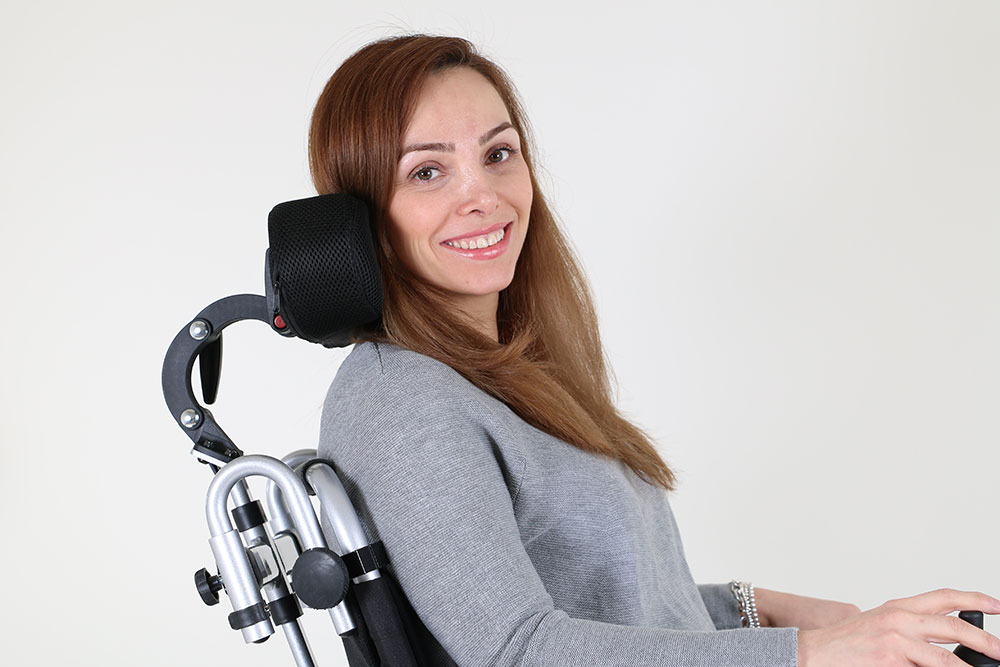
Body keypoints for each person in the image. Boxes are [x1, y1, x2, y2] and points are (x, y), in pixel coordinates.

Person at [310, 34, 1000, 666]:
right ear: (358, 218)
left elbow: (608, 601)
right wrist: (806, 653)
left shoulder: (496, 375)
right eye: (427, 172)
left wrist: (761, 611)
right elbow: (518, 651)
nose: (483, 196)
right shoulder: (399, 397)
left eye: (498, 154)